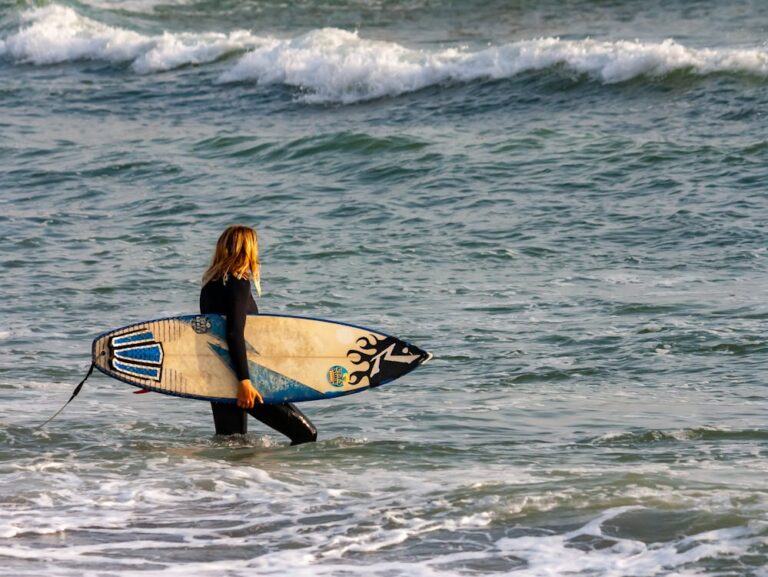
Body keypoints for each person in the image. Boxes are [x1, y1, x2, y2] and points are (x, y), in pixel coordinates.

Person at [199, 225, 317, 445]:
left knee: (232, 445)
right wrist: (245, 381)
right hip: (244, 378)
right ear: (247, 249)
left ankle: (235, 479)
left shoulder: (209, 285)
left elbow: (206, 336)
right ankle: (284, 479)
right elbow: (234, 333)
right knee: (306, 434)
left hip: (218, 375)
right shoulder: (238, 281)